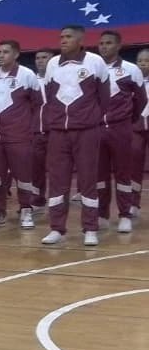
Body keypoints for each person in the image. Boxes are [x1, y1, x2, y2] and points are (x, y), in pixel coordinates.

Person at [40, 24, 111, 247]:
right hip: (59, 133)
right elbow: (49, 97)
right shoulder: (53, 63)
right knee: (57, 181)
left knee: (88, 180)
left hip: (86, 131)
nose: (63, 40)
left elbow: (104, 97)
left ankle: (90, 228)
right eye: (61, 36)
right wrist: (56, 121)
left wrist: (89, 118)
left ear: (81, 40)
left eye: (68, 37)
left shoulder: (95, 62)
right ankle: (57, 228)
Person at [0, 39, 42, 231]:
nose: (1, 55)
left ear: (16, 54)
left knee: (23, 175)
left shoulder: (27, 75)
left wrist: (27, 127)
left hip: (19, 136)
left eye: (5, 52)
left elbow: (38, 104)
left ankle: (26, 210)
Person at [96, 29, 145, 234]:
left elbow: (141, 99)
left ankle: (125, 215)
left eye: (108, 43)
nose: (104, 46)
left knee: (123, 173)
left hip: (121, 129)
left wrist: (127, 119)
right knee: (99, 174)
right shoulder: (93, 68)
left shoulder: (131, 69)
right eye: (101, 43)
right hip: (97, 129)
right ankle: (102, 215)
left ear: (119, 45)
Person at [31, 49, 52, 210]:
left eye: (44, 57)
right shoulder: (31, 81)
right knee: (36, 169)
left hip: (55, 132)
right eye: (38, 58)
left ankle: (58, 199)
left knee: (58, 168)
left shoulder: (58, 78)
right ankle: (37, 200)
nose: (40, 60)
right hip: (36, 133)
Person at [134, 47, 149, 218]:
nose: (143, 64)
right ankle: (133, 203)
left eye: (146, 61)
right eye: (140, 61)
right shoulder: (132, 81)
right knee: (134, 167)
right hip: (136, 129)